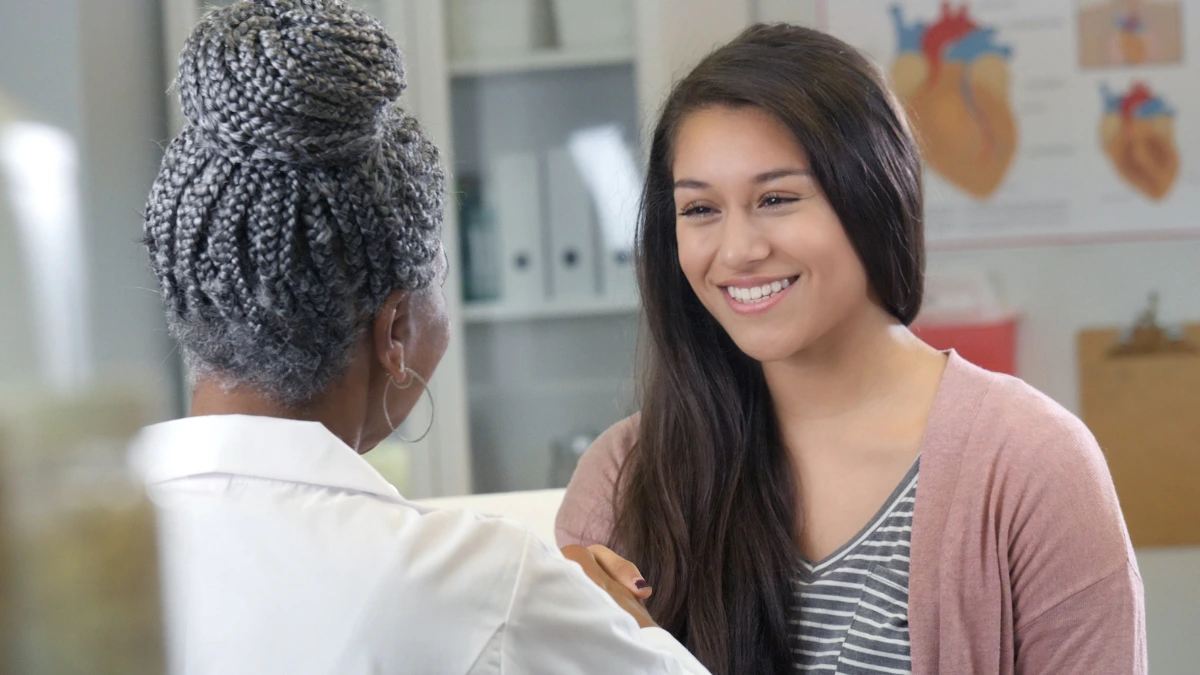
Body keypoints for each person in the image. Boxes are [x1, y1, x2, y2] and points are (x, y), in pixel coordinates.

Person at [133, 1, 709, 673]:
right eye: (439, 275)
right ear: (397, 330)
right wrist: (603, 612)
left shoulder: (58, 544)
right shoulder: (477, 581)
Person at [556, 23, 1146, 675]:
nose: (737, 251)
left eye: (776, 198)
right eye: (699, 210)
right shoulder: (624, 478)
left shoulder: (1033, 465)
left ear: (874, 195)